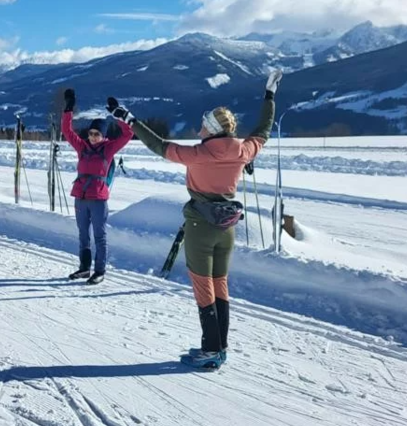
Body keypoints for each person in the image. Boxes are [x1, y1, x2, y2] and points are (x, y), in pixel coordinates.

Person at [107, 70, 282, 368]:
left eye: (204, 124)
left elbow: (159, 146)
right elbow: (263, 130)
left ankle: (211, 350)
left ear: (212, 129)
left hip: (201, 226)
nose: (199, 128)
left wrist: (130, 120)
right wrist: (269, 96)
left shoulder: (199, 154)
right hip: (227, 227)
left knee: (204, 289)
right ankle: (220, 347)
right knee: (220, 285)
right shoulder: (243, 151)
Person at [61, 88, 134, 285]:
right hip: (81, 197)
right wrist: (68, 109)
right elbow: (67, 131)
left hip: (98, 199)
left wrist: (117, 113)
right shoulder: (82, 147)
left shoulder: (109, 148)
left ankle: (99, 270)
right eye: (91, 133)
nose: (92, 137)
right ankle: (85, 268)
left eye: (97, 134)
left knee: (99, 235)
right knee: (83, 234)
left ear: (103, 135)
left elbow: (128, 134)